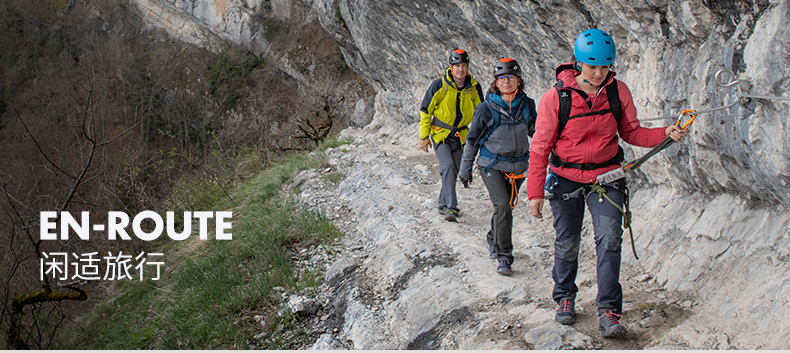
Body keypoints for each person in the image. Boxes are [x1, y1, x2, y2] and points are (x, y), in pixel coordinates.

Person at [526, 29, 688, 338]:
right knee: (567, 241)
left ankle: (610, 311)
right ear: (578, 63)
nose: (600, 73)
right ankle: (564, 298)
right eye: (592, 67)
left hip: (607, 177)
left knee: (611, 238)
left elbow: (633, 133)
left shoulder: (618, 91)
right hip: (565, 178)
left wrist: (666, 133)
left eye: (605, 66)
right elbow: (540, 148)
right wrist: (535, 192)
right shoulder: (555, 98)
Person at [459, 58, 536, 275]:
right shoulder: (485, 109)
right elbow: (473, 140)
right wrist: (465, 169)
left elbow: (537, 133)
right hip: (491, 164)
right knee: (502, 206)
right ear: (495, 82)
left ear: (519, 80)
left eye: (510, 77)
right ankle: (504, 256)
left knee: (505, 208)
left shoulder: (527, 105)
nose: (506, 81)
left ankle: (493, 237)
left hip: (518, 166)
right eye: (501, 78)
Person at [419, 49, 484, 222]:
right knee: (447, 166)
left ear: (467, 68)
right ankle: (451, 208)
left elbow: (481, 112)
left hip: (461, 134)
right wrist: (424, 136)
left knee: (454, 169)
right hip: (440, 133)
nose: (460, 70)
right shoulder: (439, 85)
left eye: (463, 66)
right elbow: (426, 110)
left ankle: (442, 203)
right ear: (450, 67)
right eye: (457, 66)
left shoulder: (474, 88)